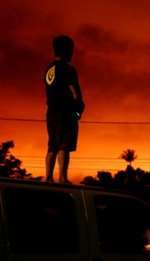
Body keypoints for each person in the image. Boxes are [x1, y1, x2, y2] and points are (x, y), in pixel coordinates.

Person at [44, 35, 84, 183]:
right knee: (64, 145)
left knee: (52, 144)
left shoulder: (49, 70)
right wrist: (78, 109)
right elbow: (76, 93)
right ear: (67, 50)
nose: (72, 53)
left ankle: (48, 177)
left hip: (51, 112)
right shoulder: (68, 70)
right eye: (71, 50)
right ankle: (62, 177)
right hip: (65, 113)